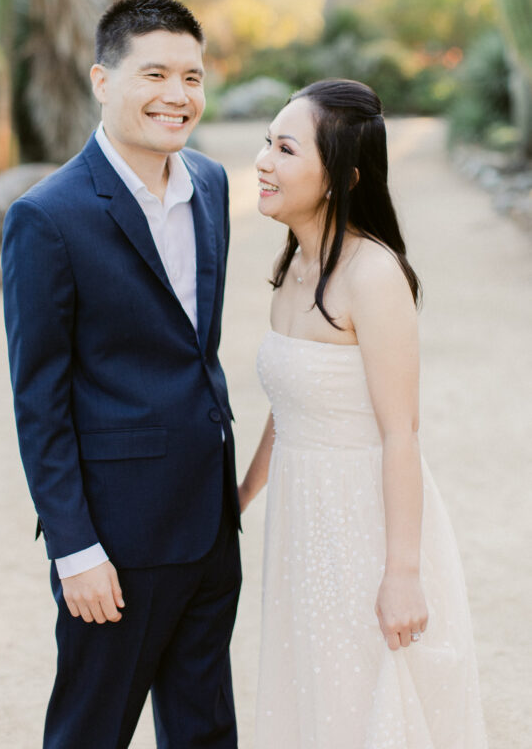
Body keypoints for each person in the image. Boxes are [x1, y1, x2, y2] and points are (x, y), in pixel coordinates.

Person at [2, 0, 241, 749]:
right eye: (157, 74)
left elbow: (193, 349)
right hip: (117, 538)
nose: (178, 95)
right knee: (90, 731)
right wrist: (75, 550)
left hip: (209, 522)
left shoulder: (212, 184)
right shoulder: (48, 217)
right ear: (103, 81)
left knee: (203, 729)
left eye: (193, 78)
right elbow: (38, 399)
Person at [239, 79, 488, 748]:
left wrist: (401, 574)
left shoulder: (372, 275)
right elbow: (288, 406)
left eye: (284, 149)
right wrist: (238, 497)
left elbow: (400, 432)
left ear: (338, 177)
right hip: (302, 515)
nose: (262, 160)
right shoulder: (291, 267)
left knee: (366, 696)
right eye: (266, 142)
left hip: (363, 520)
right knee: (316, 690)